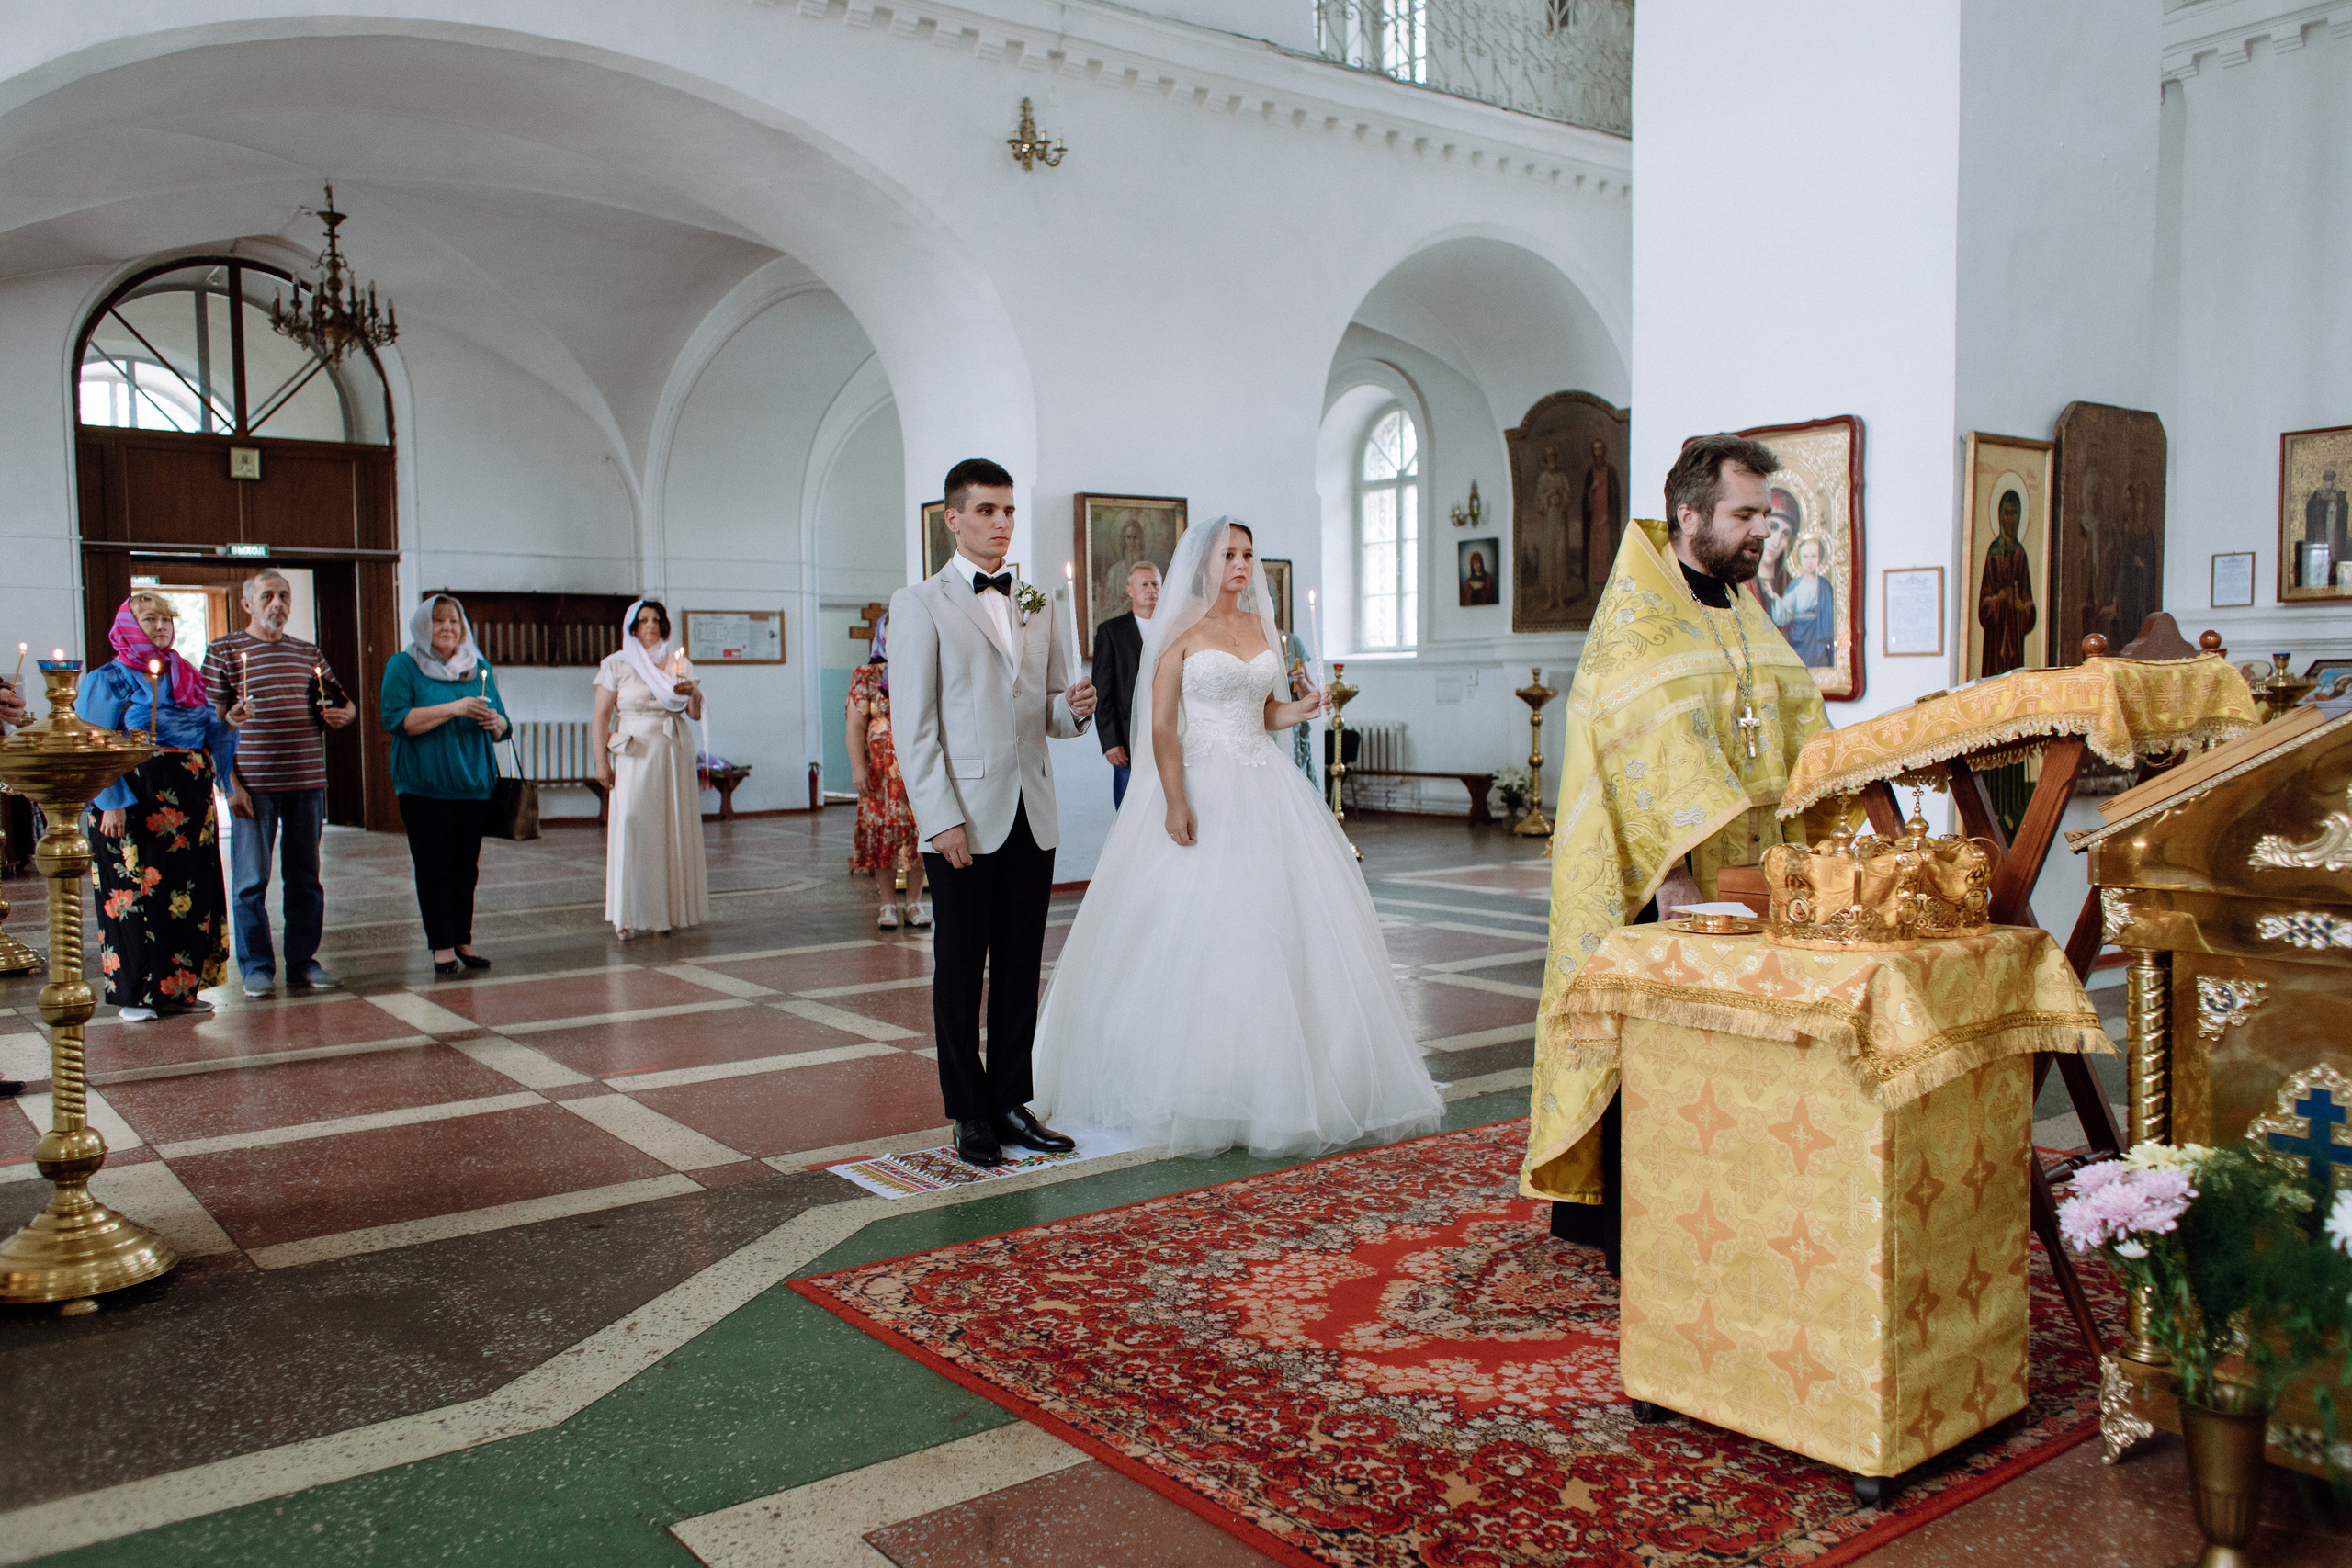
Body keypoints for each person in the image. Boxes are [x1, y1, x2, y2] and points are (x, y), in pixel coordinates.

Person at [1521, 434, 1845, 1271]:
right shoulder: (1636, 622)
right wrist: (1675, 880)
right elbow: (1638, 758)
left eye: (1766, 520)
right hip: (1661, 882)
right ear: (1689, 513)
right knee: (1659, 1064)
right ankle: (1642, 1240)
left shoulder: (1741, 607)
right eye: (1744, 517)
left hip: (1752, 876)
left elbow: (1796, 719)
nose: (1759, 535)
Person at [1033, 518, 1442, 1157]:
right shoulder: (1182, 634)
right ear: (1204, 565)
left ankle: (1277, 1083)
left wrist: (1303, 709)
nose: (1242, 564)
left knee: (1279, 927)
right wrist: (1174, 798)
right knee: (1199, 929)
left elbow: (1265, 712)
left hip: (1266, 782)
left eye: (1249, 554)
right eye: (1230, 554)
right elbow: (1163, 727)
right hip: (1202, 782)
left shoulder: (1262, 630)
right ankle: (1195, 1086)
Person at [887, 457, 1097, 1168]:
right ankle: (968, 1112)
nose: (1001, 523)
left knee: (1018, 967)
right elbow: (913, 726)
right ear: (953, 518)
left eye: (1008, 511)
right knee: (959, 969)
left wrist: (1073, 710)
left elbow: (1045, 715)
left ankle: (1011, 1101)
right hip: (963, 818)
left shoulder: (1038, 602)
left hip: (1031, 812)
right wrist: (937, 817)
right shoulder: (918, 604)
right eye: (986, 511)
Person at [79, 593, 243, 1021]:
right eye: (149, 618)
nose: (161, 626)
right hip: (134, 797)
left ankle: (177, 991)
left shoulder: (186, 675)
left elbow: (207, 737)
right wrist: (110, 802)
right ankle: (135, 995)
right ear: (128, 626)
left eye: (167, 619)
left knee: (186, 893)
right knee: (134, 892)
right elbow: (93, 745)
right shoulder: (110, 679)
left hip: (188, 799)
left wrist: (229, 724)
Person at [202, 570, 356, 998]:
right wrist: (228, 784)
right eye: (268, 596)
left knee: (306, 878)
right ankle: (256, 967)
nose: (278, 604)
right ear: (248, 603)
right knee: (251, 881)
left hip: (307, 780)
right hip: (255, 784)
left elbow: (342, 703)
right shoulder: (224, 651)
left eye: (284, 596)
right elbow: (211, 724)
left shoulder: (308, 653)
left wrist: (349, 713)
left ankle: (303, 962)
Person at [381, 596, 510, 976]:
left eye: (454, 621)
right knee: (434, 867)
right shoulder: (403, 666)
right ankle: (440, 945)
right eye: (438, 621)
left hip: (473, 786)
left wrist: (498, 724)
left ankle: (462, 938)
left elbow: (504, 724)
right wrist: (453, 709)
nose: (448, 628)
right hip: (425, 787)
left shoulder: (479, 668)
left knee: (465, 868)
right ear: (423, 626)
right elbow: (398, 720)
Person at [593, 598, 710, 940]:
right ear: (632, 627)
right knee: (632, 822)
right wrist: (601, 761)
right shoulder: (616, 664)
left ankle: (666, 914)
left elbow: (695, 714)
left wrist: (695, 694)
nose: (651, 627)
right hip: (634, 752)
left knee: (670, 828)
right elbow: (601, 716)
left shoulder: (678, 662)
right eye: (643, 621)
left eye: (656, 620)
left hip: (672, 749)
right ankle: (626, 915)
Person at [845, 611, 926, 930]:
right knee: (883, 838)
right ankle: (887, 905)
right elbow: (854, 727)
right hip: (880, 775)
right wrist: (858, 768)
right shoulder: (865, 675)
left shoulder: (922, 670)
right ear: (882, 635)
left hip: (918, 769)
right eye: (892, 632)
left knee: (919, 835)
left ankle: (915, 904)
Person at [1091, 561, 1158, 807]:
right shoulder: (1111, 631)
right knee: (1130, 812)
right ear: (1130, 590)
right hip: (1128, 740)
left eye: (1155, 584)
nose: (1151, 589)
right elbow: (1103, 691)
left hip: (1170, 734)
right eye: (1144, 584)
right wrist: (1110, 742)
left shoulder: (1174, 628)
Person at [1977, 488, 2037, 676]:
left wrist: (2024, 607)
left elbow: (2028, 599)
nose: (2011, 519)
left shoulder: (2020, 554)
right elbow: (1984, 603)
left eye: (2015, 513)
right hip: (1995, 638)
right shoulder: (1993, 553)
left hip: (2014, 633)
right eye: (2007, 513)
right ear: (2000, 516)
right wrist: (1997, 599)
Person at [1764, 532, 1836, 669]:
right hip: (1799, 639)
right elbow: (1784, 613)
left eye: (1813, 556)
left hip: (1817, 639)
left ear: (1819, 558)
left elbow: (1831, 616)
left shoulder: (1824, 586)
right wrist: (1774, 597)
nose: (1809, 561)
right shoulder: (1795, 585)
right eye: (1805, 557)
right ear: (1800, 559)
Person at [1581, 436, 1623, 599]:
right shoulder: (1590, 473)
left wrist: (1609, 516)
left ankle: (1610, 591)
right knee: (1595, 555)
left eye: (1600, 449)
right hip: (1594, 521)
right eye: (1595, 450)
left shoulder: (1610, 471)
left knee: (1607, 552)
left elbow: (1615, 496)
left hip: (1607, 519)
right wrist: (1591, 490)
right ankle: (1594, 592)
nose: (1598, 453)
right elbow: (1585, 500)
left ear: (1604, 451)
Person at [1534, 445, 1575, 608]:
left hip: (1560, 519)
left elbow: (1569, 497)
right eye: (1548, 457)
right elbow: (1539, 501)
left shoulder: (1562, 477)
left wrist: (1561, 494)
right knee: (1550, 558)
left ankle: (1560, 597)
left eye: (1553, 457)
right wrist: (1548, 495)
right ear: (1546, 460)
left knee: (1560, 557)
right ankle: (1550, 598)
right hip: (1549, 519)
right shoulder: (1543, 478)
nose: (1551, 460)